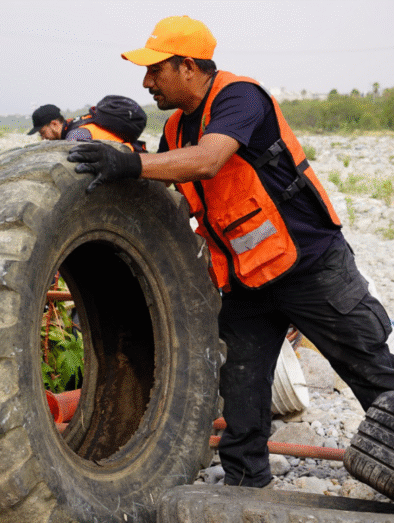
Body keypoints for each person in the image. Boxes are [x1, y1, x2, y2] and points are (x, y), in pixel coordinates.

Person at [68, 15, 394, 488]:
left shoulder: (240, 96)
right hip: (245, 280)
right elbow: (175, 198)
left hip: (308, 264)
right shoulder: (177, 128)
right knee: (241, 393)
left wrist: (129, 162)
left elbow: (210, 159)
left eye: (155, 70)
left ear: (187, 66)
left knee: (369, 369)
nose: (146, 82)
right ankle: (245, 486)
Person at [27, 101, 146, 150]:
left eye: (42, 132)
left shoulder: (75, 134)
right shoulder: (73, 124)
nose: (43, 138)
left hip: (132, 156)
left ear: (54, 124)